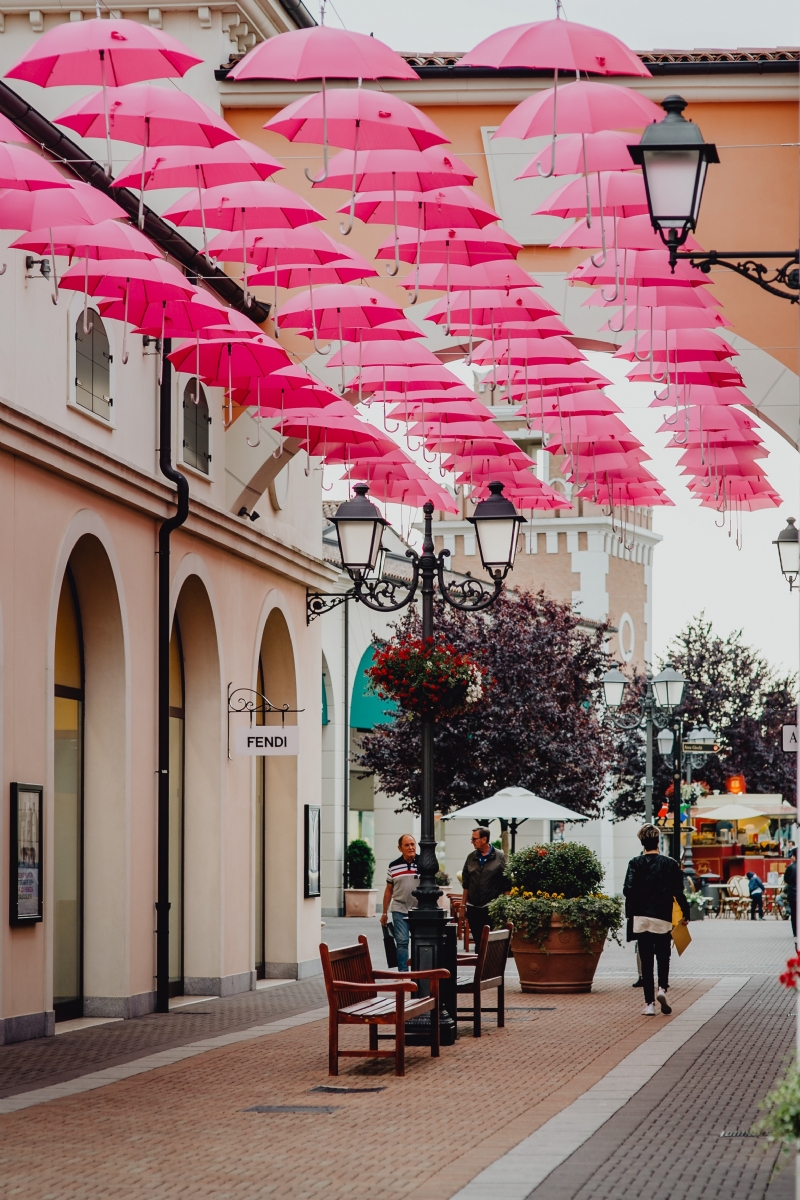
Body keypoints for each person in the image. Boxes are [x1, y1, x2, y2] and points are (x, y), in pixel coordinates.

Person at [624, 823, 690, 1017]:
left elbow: (627, 890)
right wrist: (686, 914)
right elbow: (679, 892)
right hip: (662, 915)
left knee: (646, 961)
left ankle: (649, 1005)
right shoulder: (670, 864)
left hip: (641, 917)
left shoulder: (635, 863)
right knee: (663, 956)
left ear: (642, 842)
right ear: (658, 841)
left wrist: (641, 894)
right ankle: (662, 989)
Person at [461, 826, 509, 945]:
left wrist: (506, 907)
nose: (472, 842)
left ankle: (490, 964)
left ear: (484, 839)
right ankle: (480, 963)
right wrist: (463, 905)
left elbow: (506, 883)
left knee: (490, 941)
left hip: (491, 907)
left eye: (474, 839)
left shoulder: (499, 857)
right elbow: (466, 883)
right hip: (473, 907)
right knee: (479, 941)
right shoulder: (471, 857)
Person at [380, 834, 418, 971]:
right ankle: (403, 974)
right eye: (407, 845)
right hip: (399, 908)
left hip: (419, 910)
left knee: (419, 942)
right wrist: (384, 913)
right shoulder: (394, 866)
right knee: (402, 942)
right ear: (400, 848)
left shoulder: (423, 863)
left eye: (413, 844)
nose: (411, 847)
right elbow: (388, 890)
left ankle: (418, 971)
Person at [784, 849, 797, 941]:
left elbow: (786, 879)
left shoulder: (790, 867)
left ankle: (796, 932)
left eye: (792, 855)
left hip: (793, 894)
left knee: (794, 913)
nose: (791, 857)